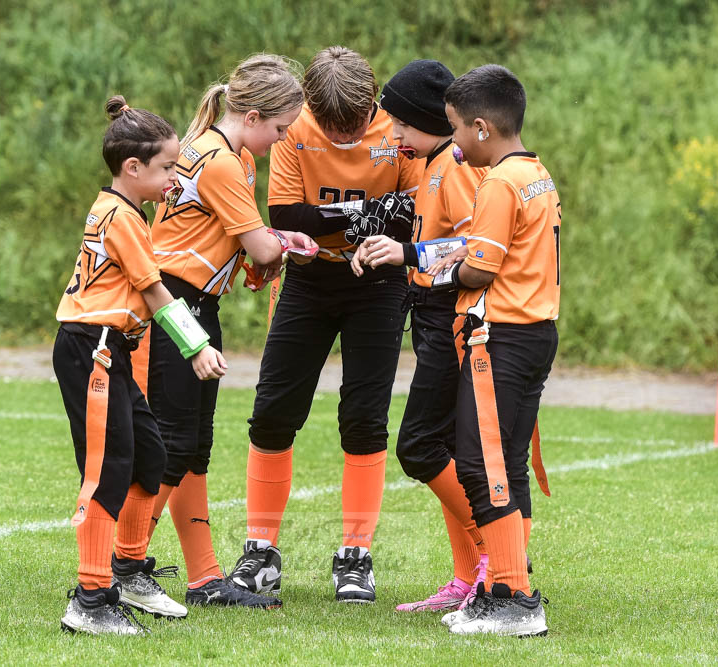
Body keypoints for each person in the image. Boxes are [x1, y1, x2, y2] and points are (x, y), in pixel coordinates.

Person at [227, 46, 423, 604]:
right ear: (311, 108)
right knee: (272, 412)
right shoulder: (293, 126)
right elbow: (288, 217)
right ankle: (261, 551)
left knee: (364, 419)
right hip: (309, 280)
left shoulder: (399, 129)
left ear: (372, 104)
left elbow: (411, 216)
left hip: (380, 282)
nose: (342, 136)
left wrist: (337, 220)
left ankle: (355, 556)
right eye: (331, 127)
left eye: (352, 126)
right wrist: (372, 213)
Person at [133, 54, 317, 609]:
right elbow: (259, 246)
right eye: (279, 130)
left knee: (194, 447)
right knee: (175, 443)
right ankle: (122, 564)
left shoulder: (223, 152)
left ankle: (204, 578)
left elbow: (245, 243)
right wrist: (287, 246)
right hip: (174, 302)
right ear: (253, 116)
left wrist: (271, 247)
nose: (280, 142)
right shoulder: (220, 161)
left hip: (194, 302)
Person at [55, 96, 227, 634]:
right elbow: (155, 292)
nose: (176, 178)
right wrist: (197, 346)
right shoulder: (122, 217)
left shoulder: (127, 210)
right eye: (168, 168)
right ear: (133, 168)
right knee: (108, 472)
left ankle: (128, 571)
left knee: (151, 454)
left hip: (113, 350)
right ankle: (91, 599)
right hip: (94, 350)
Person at [348, 59, 490, 613]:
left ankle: (497, 554)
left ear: (433, 119)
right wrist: (389, 249)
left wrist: (407, 253)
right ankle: (467, 575)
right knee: (444, 448)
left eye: (403, 123)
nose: (395, 133)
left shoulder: (457, 165)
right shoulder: (431, 162)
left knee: (420, 446)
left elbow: (478, 246)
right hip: (430, 312)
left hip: (453, 317)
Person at [432, 64, 560, 637]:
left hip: (500, 338)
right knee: (505, 462)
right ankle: (502, 587)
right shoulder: (536, 173)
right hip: (534, 332)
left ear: (482, 127)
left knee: (483, 465)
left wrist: (440, 271)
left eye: (456, 128)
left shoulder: (500, 182)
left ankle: (513, 597)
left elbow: (481, 270)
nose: (454, 141)